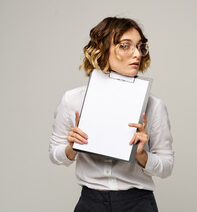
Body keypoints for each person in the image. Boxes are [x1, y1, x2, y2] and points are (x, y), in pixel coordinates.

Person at [49, 17, 174, 212]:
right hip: (90, 202)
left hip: (138, 204)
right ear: (102, 49)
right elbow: (55, 154)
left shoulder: (154, 105)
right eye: (125, 46)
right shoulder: (73, 99)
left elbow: (167, 166)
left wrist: (142, 155)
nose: (137, 54)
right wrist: (71, 148)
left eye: (140, 47)